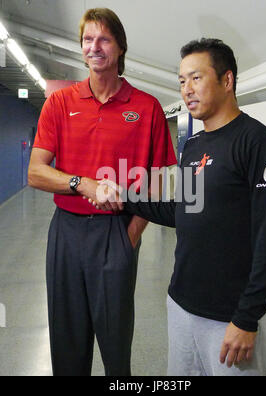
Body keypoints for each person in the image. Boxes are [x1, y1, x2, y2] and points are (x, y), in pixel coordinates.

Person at [92, 38, 266, 376]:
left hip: (229, 316)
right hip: (181, 304)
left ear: (226, 80)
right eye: (182, 81)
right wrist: (124, 197)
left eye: (196, 78)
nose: (187, 89)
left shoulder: (259, 143)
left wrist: (246, 317)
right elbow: (181, 209)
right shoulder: (194, 145)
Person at [28, 7, 176, 376]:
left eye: (104, 38)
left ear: (120, 47)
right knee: (67, 339)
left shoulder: (147, 108)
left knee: (115, 342)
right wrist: (81, 183)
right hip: (66, 232)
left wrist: (132, 235)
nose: (94, 47)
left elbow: (157, 181)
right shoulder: (60, 103)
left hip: (117, 231)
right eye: (87, 39)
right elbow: (36, 172)